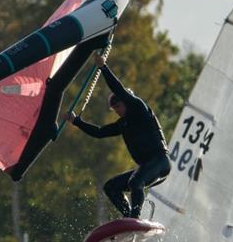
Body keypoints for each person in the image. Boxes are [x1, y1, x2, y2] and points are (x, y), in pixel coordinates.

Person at [67, 54, 170, 219]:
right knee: (110, 187)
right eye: (114, 109)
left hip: (159, 161)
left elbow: (118, 89)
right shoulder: (123, 123)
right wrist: (76, 122)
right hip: (146, 166)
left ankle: (134, 218)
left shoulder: (138, 108)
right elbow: (100, 132)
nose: (117, 110)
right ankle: (129, 218)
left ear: (126, 101)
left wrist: (103, 67)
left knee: (135, 182)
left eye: (118, 106)